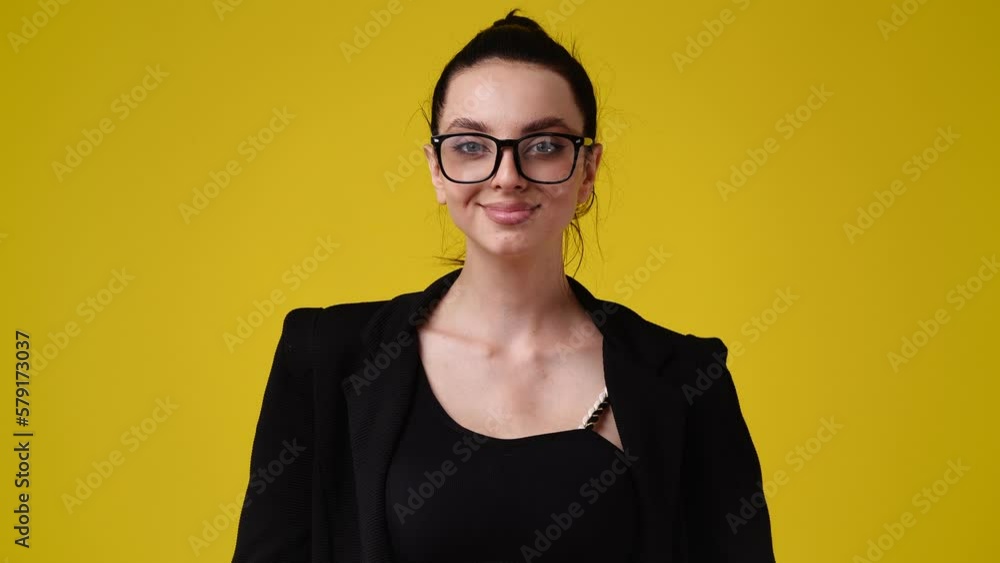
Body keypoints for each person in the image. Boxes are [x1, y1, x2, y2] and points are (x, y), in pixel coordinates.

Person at [231, 10, 776, 563]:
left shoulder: (687, 378)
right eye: (471, 145)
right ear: (436, 169)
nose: (507, 175)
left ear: (588, 169)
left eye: (544, 145)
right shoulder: (326, 355)